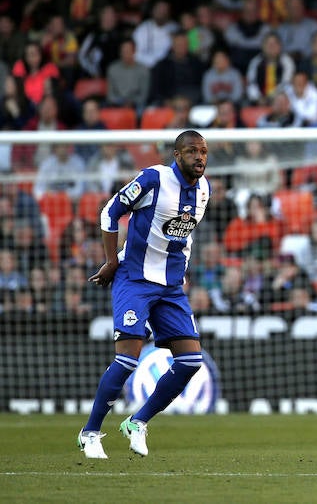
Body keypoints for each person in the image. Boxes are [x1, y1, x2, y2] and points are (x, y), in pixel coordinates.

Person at [77, 130, 211, 460]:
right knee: (127, 359)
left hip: (169, 287)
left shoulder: (204, 190)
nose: (199, 157)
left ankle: (138, 422)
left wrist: (181, 274)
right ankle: (91, 432)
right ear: (177, 156)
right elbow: (110, 211)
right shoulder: (153, 179)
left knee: (191, 360)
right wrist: (111, 260)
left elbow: (185, 236)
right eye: (192, 151)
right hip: (134, 279)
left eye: (204, 152)